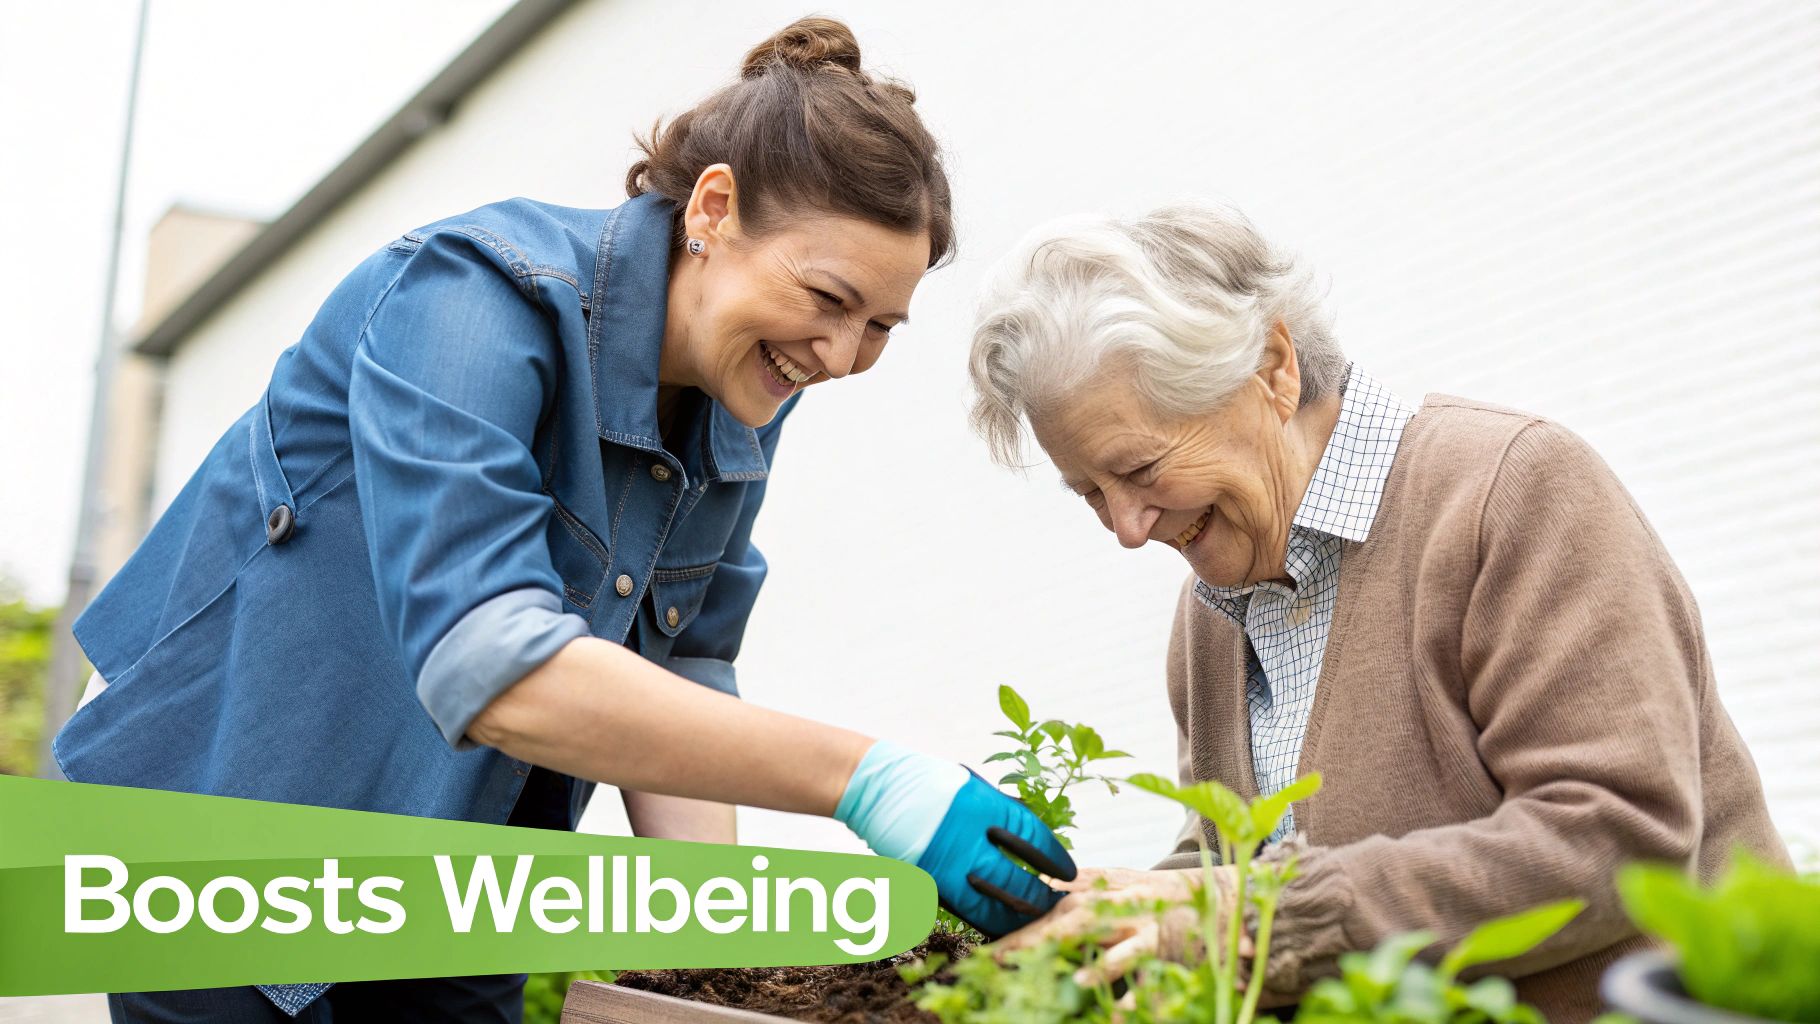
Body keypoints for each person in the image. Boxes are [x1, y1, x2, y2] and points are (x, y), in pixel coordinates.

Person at [59, 18, 1071, 1023]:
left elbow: (683, 664)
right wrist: (865, 778)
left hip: (454, 864)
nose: (841, 355)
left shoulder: (747, 381)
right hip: (236, 827)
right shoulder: (472, 297)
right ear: (711, 210)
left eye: (879, 328)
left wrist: (716, 946)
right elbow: (488, 661)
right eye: (827, 297)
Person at [965, 201, 1788, 1020]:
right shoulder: (1210, 612)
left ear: (1274, 369)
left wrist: (1245, 919)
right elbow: (1230, 859)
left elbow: (1614, 840)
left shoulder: (1510, 494)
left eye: (1140, 469)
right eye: (1089, 496)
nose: (1127, 530)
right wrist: (1093, 916)